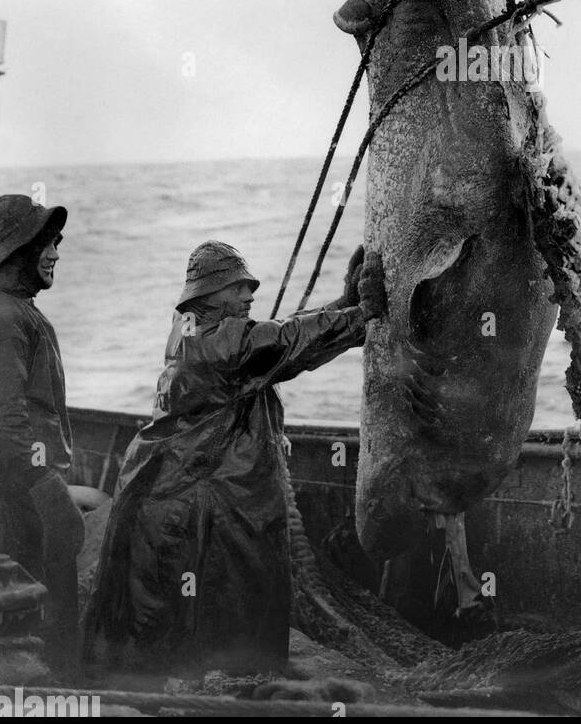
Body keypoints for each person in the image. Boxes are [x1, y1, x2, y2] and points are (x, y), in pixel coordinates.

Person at [84, 239, 385, 677]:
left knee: (185, 627)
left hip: (173, 492)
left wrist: (345, 304)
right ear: (207, 296)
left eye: (249, 287)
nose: (249, 295)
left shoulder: (195, 330)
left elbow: (276, 338)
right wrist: (361, 316)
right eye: (237, 288)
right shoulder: (216, 344)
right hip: (192, 506)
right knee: (219, 618)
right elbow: (280, 342)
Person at [0, 194, 85, 677]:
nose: (56, 253)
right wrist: (46, 488)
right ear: (14, 248)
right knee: (44, 604)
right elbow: (4, 420)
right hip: (12, 494)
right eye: (47, 242)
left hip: (10, 486)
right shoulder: (1, 317)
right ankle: (61, 696)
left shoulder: (6, 309)